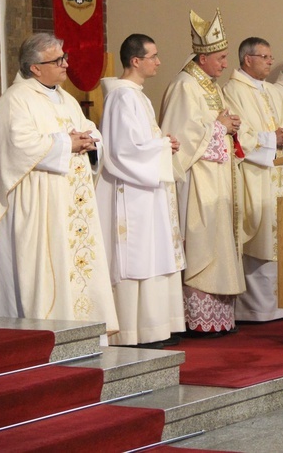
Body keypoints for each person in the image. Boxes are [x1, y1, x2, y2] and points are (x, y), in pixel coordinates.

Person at [0, 33, 118, 336]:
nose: (66, 65)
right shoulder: (15, 100)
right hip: (38, 203)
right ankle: (47, 336)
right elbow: (17, 145)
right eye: (58, 60)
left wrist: (91, 141)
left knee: (76, 266)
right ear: (35, 68)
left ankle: (84, 334)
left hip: (70, 204)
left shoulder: (65, 98)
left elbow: (87, 128)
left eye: (64, 58)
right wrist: (67, 143)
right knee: (46, 270)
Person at [159, 8, 247, 336]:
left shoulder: (210, 85)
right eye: (221, 57)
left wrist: (229, 126)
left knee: (219, 241)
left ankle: (218, 318)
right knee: (201, 243)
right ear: (205, 56)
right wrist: (218, 127)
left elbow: (214, 125)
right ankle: (196, 317)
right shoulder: (185, 85)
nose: (226, 64)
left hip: (217, 177)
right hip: (197, 180)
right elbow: (181, 135)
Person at [96, 34, 186, 348]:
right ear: (136, 61)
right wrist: (162, 146)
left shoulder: (136, 95)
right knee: (138, 257)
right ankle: (134, 331)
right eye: (153, 56)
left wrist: (164, 146)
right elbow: (121, 151)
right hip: (131, 194)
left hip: (146, 191)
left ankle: (154, 328)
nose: (159, 62)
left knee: (153, 255)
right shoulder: (123, 97)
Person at [223, 37, 283, 322]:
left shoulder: (271, 91)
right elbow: (238, 138)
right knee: (260, 237)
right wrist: (272, 139)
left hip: (276, 172)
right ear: (247, 59)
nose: (270, 61)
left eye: (270, 56)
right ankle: (254, 309)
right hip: (254, 175)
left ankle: (281, 304)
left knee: (278, 236)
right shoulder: (232, 91)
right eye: (265, 57)